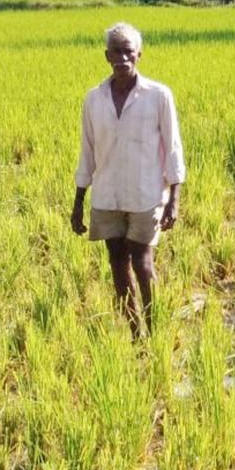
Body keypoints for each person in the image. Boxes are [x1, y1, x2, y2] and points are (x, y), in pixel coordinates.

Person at [71, 22, 185, 336]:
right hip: (107, 195)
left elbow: (173, 147)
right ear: (106, 55)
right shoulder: (94, 99)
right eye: (116, 52)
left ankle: (156, 330)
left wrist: (174, 199)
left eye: (128, 52)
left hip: (146, 195)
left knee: (143, 263)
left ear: (139, 55)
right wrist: (78, 202)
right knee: (117, 264)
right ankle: (136, 334)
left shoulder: (158, 95)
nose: (122, 58)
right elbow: (87, 151)